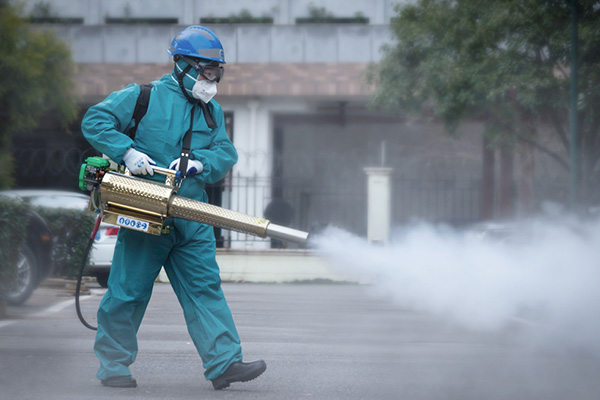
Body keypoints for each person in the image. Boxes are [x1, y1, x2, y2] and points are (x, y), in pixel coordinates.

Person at [81, 25, 266, 390]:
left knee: (205, 290)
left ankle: (224, 364)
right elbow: (95, 120)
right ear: (181, 65)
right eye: (206, 69)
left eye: (216, 71)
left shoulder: (211, 110)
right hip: (145, 211)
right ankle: (113, 366)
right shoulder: (143, 96)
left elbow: (226, 152)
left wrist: (199, 162)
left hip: (192, 215)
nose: (211, 78)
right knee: (128, 291)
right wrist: (127, 152)